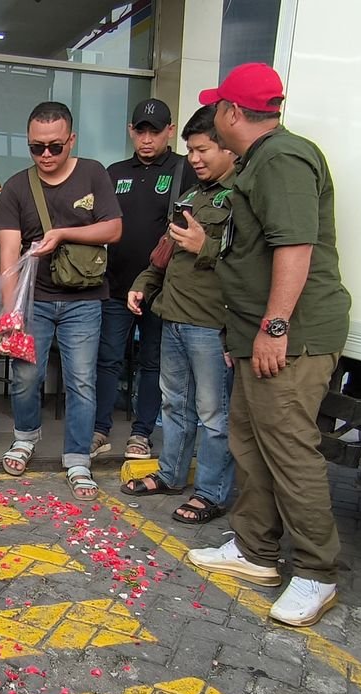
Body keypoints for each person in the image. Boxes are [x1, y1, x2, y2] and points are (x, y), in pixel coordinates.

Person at [184, 63, 352, 627]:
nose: (212, 121)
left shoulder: (281, 159)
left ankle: (316, 572)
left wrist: (274, 326)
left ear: (232, 114)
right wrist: (247, 330)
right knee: (249, 441)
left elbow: (295, 247)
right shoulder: (258, 163)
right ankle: (255, 549)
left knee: (288, 450)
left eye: (216, 111)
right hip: (255, 334)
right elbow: (248, 253)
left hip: (293, 339)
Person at [0, 101, 121, 500]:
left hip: (85, 301)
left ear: (71, 140)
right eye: (36, 148)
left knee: (81, 381)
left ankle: (78, 458)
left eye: (55, 146)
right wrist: (11, 313)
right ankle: (25, 437)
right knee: (25, 377)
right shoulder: (16, 186)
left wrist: (64, 233)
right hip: (36, 301)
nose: (46, 155)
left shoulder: (93, 173)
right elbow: (9, 255)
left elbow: (114, 228)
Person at [123, 105, 236, 524]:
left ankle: (211, 493)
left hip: (212, 325)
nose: (195, 159)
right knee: (174, 405)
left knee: (212, 415)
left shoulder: (243, 196)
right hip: (173, 316)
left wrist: (205, 246)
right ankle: (171, 474)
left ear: (228, 147)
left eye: (203, 149)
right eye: (190, 151)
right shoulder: (190, 195)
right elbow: (164, 253)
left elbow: (251, 264)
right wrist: (143, 283)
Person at [94, 98, 196, 462]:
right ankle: (99, 429)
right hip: (116, 286)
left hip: (161, 289)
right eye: (141, 130)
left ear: (170, 130)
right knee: (107, 359)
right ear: (131, 132)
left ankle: (142, 433)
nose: (148, 138)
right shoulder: (114, 172)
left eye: (156, 130)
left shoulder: (186, 170)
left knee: (153, 362)